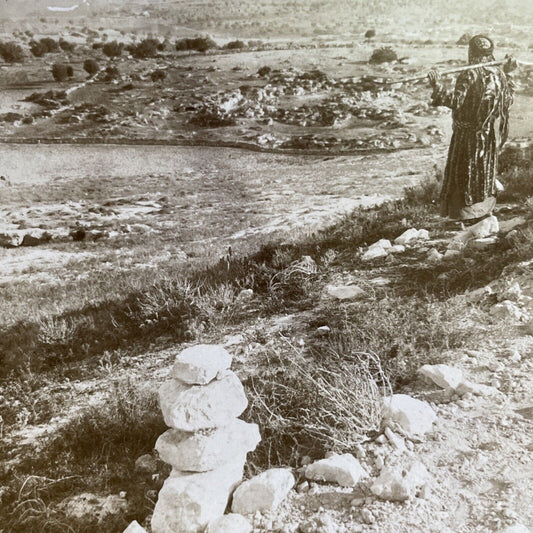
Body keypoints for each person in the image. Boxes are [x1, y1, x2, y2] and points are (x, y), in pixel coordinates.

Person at [428, 35, 516, 225]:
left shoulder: (469, 74)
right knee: (483, 170)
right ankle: (483, 210)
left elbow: (455, 102)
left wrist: (437, 86)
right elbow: (507, 101)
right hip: (487, 135)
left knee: (465, 171)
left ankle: (466, 215)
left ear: (471, 52)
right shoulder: (498, 74)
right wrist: (508, 73)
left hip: (466, 135)